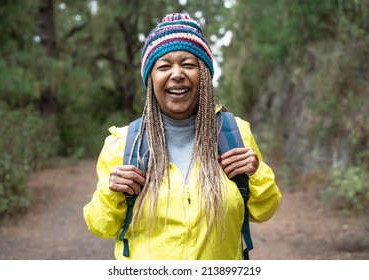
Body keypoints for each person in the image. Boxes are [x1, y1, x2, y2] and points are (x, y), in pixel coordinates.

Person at [83, 12, 281, 260]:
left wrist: (256, 174)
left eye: (188, 64)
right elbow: (100, 226)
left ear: (205, 76)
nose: (177, 74)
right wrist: (111, 192)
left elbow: (264, 211)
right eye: (164, 66)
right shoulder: (123, 144)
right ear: (150, 79)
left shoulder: (234, 134)